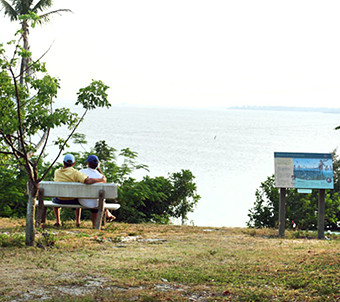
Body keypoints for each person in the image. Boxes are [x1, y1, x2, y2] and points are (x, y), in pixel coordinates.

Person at [52, 154, 106, 227]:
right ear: (74, 163)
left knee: (54, 199)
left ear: (63, 163)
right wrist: (101, 180)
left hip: (59, 199)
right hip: (72, 200)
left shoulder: (57, 172)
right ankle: (77, 221)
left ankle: (58, 221)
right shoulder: (76, 173)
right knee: (78, 198)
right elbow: (87, 181)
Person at [79, 155, 116, 228]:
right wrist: (102, 179)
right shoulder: (100, 176)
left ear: (88, 163)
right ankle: (95, 225)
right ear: (97, 164)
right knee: (97, 200)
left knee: (92, 199)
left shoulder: (81, 172)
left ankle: (78, 221)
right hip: (96, 204)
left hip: (82, 201)